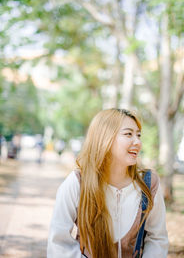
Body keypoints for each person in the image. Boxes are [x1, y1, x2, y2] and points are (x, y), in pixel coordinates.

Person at [47, 108, 168, 258]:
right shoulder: (78, 182)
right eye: (128, 134)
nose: (137, 142)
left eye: (138, 135)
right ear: (105, 138)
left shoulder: (148, 184)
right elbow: (58, 243)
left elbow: (157, 238)